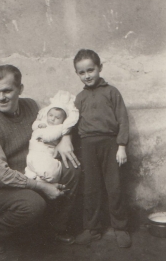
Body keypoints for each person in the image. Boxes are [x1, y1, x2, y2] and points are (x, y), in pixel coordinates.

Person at [0, 65, 81, 254]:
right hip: (0, 186)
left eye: (7, 90)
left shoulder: (31, 106)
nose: (1, 97)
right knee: (33, 204)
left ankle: (53, 228)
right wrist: (42, 187)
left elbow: (56, 123)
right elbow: (1, 176)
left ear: (20, 89)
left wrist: (66, 138)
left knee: (72, 167)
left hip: (31, 171)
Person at [73, 49, 131, 248]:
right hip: (87, 146)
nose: (87, 75)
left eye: (91, 70)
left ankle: (121, 227)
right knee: (90, 189)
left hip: (110, 144)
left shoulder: (112, 92)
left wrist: (121, 145)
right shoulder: (79, 98)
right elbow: (71, 124)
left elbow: (123, 119)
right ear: (77, 74)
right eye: (82, 72)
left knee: (114, 187)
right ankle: (92, 229)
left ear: (100, 68)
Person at [25, 90, 79, 183]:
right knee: (31, 164)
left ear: (63, 120)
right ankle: (31, 175)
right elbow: (34, 125)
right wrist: (38, 125)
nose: (52, 119)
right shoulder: (43, 122)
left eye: (57, 118)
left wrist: (43, 137)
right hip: (34, 150)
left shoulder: (59, 127)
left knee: (48, 170)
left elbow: (52, 136)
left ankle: (41, 179)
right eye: (50, 115)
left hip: (46, 152)